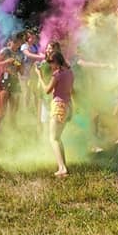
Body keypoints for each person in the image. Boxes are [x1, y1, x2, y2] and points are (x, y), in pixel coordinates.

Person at [37, 49, 74, 177]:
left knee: (53, 138)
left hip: (59, 106)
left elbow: (47, 90)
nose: (50, 66)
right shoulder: (70, 72)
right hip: (67, 106)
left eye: (51, 63)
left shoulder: (57, 74)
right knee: (57, 138)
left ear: (56, 62)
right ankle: (63, 166)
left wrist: (40, 77)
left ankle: (62, 168)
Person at [0, 32, 24, 132]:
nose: (17, 44)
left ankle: (11, 139)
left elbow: (22, 72)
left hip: (15, 81)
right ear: (11, 41)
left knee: (14, 113)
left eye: (19, 42)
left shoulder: (20, 54)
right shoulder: (5, 51)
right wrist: (6, 62)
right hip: (5, 80)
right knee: (2, 113)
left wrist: (19, 66)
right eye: (15, 41)